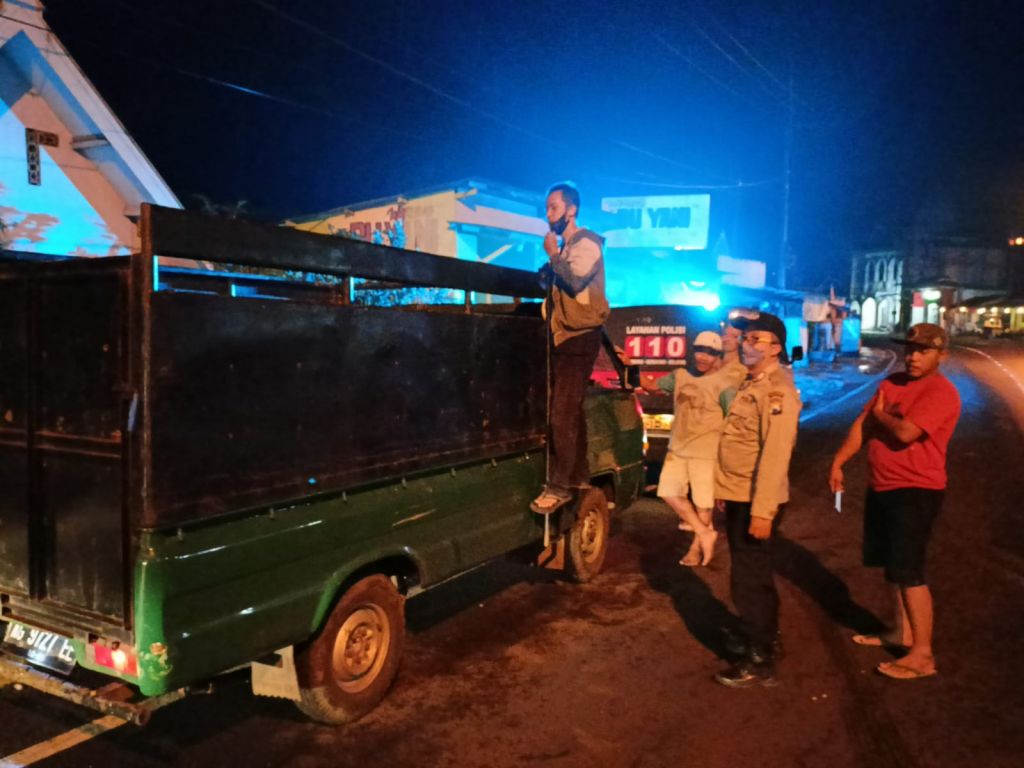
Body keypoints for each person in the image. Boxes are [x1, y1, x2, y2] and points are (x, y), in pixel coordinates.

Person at [828, 322, 960, 680]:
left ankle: (923, 654)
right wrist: (839, 461)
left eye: (924, 351)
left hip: (916, 490)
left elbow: (905, 432)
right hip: (882, 487)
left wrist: (880, 414)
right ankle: (901, 633)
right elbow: (862, 425)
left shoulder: (941, 392)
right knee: (892, 567)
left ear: (941, 355)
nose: (913, 357)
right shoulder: (892, 383)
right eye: (910, 349)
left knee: (910, 571)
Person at [713, 311, 801, 688]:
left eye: (755, 339)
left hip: (756, 500)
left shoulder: (777, 392)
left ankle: (759, 656)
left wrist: (763, 512)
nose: (746, 344)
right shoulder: (751, 383)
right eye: (745, 338)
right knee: (753, 574)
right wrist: (723, 491)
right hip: (739, 494)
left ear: (776, 348)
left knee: (749, 580)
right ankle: (765, 637)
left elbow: (775, 456)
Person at [531, 182, 609, 514]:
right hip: (565, 335)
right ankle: (577, 476)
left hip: (580, 335)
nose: (549, 215)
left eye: (554, 207)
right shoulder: (567, 247)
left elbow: (576, 280)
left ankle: (559, 485)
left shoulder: (586, 242)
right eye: (547, 209)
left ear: (571, 209)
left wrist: (552, 255)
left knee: (561, 411)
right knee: (570, 409)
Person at [642, 331, 746, 566]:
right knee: (668, 492)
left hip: (706, 453)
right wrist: (628, 365)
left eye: (709, 353)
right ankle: (704, 532)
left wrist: (730, 462)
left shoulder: (724, 385)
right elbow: (652, 387)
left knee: (703, 504)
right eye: (699, 350)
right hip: (677, 448)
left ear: (717, 356)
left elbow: (733, 422)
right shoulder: (680, 375)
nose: (702, 357)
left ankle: (695, 549)